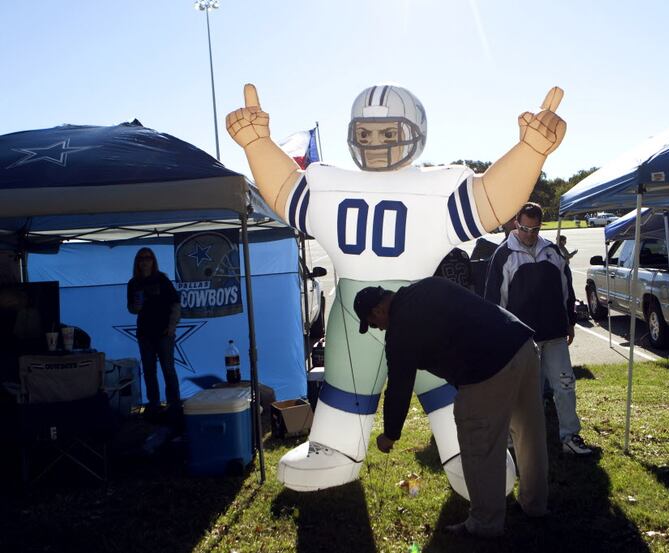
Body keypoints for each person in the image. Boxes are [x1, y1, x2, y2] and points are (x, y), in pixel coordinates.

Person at [226, 82, 567, 494]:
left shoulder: (435, 187)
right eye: (366, 134)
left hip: (422, 313)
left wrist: (531, 152)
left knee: (442, 385)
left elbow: (490, 198)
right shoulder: (330, 185)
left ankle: (465, 452)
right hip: (355, 313)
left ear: (414, 132)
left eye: (388, 133)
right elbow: (286, 192)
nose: (375, 144)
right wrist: (257, 144)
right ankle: (335, 446)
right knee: (346, 384)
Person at [354, 278, 549, 537]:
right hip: (521, 344)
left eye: (374, 324)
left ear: (378, 311)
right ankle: (535, 505)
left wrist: (390, 434)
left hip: (488, 368)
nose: (378, 329)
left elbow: (400, 385)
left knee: (479, 445)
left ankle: (485, 523)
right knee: (529, 433)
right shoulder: (425, 286)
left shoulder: (400, 328)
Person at [485, 202, 592, 455]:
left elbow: (567, 290)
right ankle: (513, 441)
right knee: (520, 393)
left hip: (555, 334)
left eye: (534, 229)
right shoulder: (503, 256)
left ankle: (570, 436)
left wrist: (570, 321)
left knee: (565, 386)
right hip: (520, 340)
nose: (529, 234)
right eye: (524, 228)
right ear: (515, 224)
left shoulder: (552, 251)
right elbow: (493, 301)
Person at [127, 248, 181, 413]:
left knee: (168, 368)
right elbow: (131, 308)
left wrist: (172, 326)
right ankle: (154, 404)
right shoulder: (133, 283)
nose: (144, 261)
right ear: (137, 262)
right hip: (144, 333)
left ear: (153, 261)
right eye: (141, 258)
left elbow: (176, 303)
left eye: (148, 258)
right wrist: (136, 306)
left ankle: (174, 404)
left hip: (164, 332)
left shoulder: (162, 279)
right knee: (149, 370)